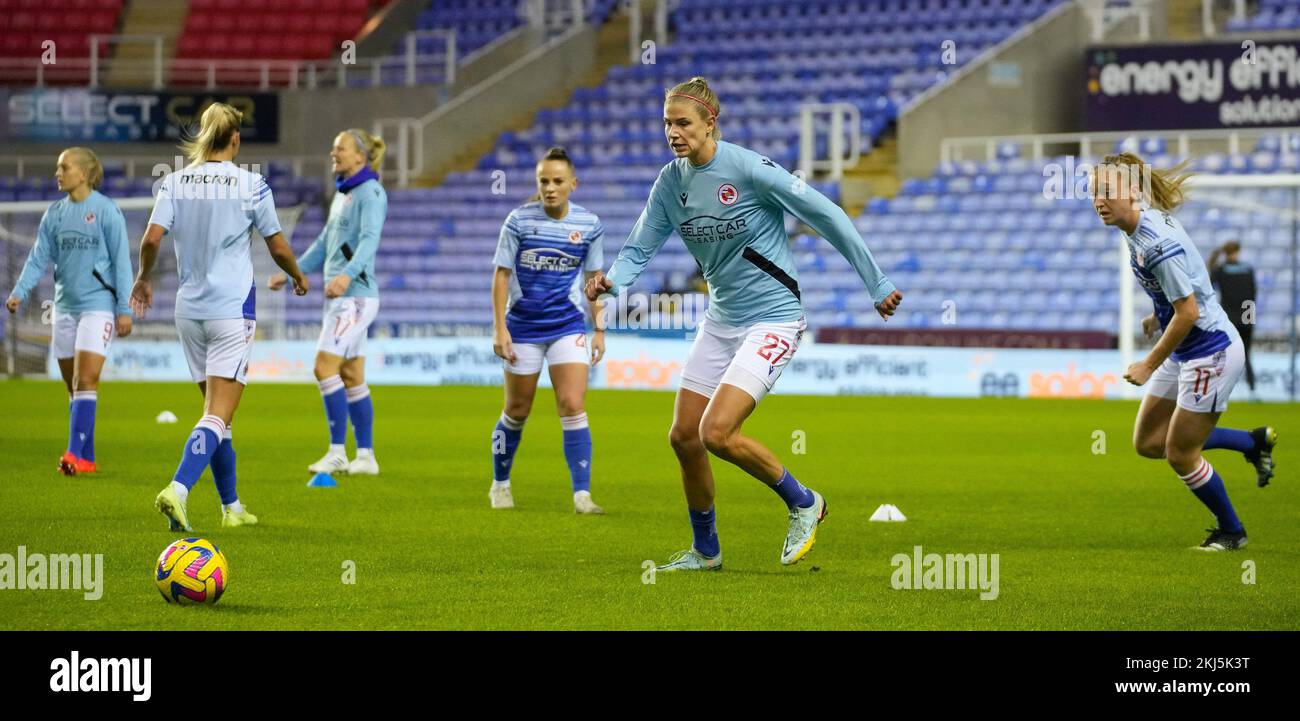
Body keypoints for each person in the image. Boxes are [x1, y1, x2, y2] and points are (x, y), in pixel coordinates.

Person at [585, 77, 902, 570]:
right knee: (683, 436)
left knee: (716, 432)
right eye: (667, 122)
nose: (672, 132)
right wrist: (613, 280)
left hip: (773, 319)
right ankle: (706, 552)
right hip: (721, 320)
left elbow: (827, 214)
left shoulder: (749, 169)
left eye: (683, 123)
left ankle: (804, 502)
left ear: (711, 123)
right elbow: (640, 245)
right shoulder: (671, 183)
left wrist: (876, 283)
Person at [132, 102, 309, 531]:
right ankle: (177, 488)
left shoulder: (174, 182)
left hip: (189, 312)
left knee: (216, 415)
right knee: (217, 415)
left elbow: (152, 238)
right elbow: (279, 247)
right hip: (231, 310)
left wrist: (143, 278)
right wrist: (298, 276)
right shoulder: (252, 184)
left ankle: (231, 508)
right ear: (236, 139)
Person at [1091, 152, 1276, 553]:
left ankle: (1232, 531)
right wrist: (1157, 314)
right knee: (1148, 443)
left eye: (1106, 191)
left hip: (1212, 352)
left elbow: (1189, 312)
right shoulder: (1137, 227)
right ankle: (1251, 442)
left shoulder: (1156, 243)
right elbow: (1186, 286)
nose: (1098, 201)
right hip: (1187, 349)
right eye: (1093, 193)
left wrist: (1147, 363)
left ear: (1133, 192)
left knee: (1179, 453)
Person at [490, 147, 606, 514]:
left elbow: (593, 280)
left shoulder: (589, 225)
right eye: (543, 181)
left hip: (567, 325)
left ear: (573, 184)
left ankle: (582, 494)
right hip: (522, 327)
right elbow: (501, 276)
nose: (550, 188)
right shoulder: (519, 221)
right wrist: (500, 329)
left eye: (557, 181)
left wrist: (599, 329)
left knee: (572, 405)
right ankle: (500, 483)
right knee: (516, 410)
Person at [5, 147, 133, 475]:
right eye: (57, 168)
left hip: (98, 307)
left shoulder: (106, 210)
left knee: (85, 379)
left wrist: (123, 309)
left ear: (84, 173)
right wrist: (20, 291)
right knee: (72, 386)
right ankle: (87, 458)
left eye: (64, 167)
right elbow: (38, 258)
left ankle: (73, 454)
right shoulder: (55, 214)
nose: (57, 173)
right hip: (64, 308)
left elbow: (121, 262)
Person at [270, 128, 387, 476]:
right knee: (351, 374)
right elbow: (324, 243)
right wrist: (293, 271)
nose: (333, 153)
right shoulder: (344, 194)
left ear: (359, 157)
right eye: (333, 148)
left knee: (324, 367)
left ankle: (337, 452)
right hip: (346, 297)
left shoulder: (371, 193)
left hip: (355, 297)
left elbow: (369, 241)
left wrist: (348, 275)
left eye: (340, 148)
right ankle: (365, 457)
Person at [1208, 240, 1258, 396]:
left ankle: (1221, 390)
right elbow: (1253, 294)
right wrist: (1249, 319)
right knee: (1247, 354)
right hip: (1246, 317)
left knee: (1225, 354)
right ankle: (1252, 389)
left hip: (1229, 318)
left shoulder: (1221, 270)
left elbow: (1208, 280)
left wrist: (1214, 257)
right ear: (1238, 250)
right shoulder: (1248, 269)